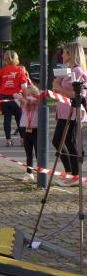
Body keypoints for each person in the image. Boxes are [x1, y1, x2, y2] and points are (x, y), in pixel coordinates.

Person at [52, 41, 87, 186]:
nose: (62, 55)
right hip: (63, 111)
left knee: (69, 142)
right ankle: (69, 171)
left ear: (71, 54)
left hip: (73, 112)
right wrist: (58, 87)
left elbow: (78, 94)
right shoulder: (67, 70)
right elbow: (54, 85)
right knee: (57, 141)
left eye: (64, 52)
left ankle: (76, 175)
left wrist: (60, 89)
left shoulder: (77, 71)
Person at [0, 50, 28, 147]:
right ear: (16, 58)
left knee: (7, 119)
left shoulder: (1, 71)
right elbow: (24, 86)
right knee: (19, 119)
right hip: (16, 97)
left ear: (5, 59)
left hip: (4, 98)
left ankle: (8, 140)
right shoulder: (20, 70)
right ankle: (22, 139)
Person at [15, 83, 41, 183]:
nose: (30, 97)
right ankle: (29, 173)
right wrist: (21, 97)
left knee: (39, 153)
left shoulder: (39, 104)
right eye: (28, 94)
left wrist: (32, 99)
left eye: (33, 94)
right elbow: (15, 95)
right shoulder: (24, 103)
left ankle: (41, 175)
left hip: (37, 130)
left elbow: (38, 100)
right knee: (28, 153)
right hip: (27, 129)